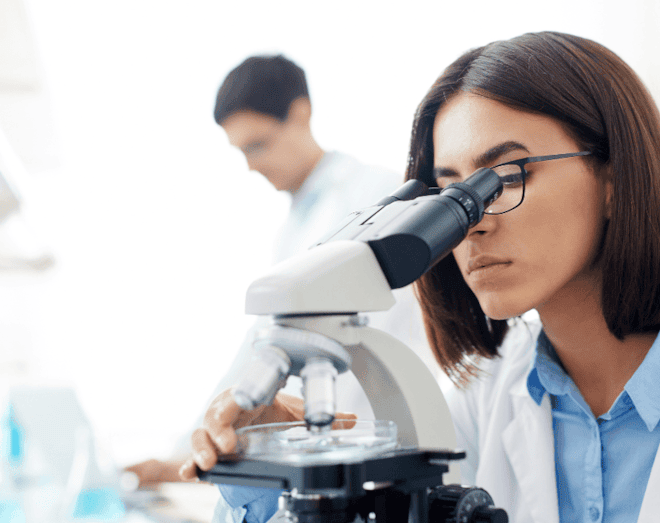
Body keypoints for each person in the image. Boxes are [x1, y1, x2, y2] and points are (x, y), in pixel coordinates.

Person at [181, 33, 660, 523]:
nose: (476, 223)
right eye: (452, 195)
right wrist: (255, 462)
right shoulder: (479, 399)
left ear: (613, 176)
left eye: (509, 175)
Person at [126, 55, 434, 487]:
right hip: (335, 449)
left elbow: (347, 339)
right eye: (241, 151)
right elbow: (261, 349)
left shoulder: (376, 197)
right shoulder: (293, 228)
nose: (251, 165)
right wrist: (187, 451)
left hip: (387, 437)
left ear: (301, 113)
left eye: (258, 145)